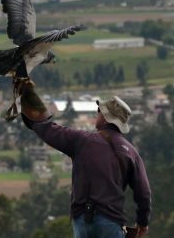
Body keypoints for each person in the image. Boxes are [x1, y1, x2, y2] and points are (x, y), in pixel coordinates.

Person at [18, 80, 151, 238]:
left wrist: (27, 93)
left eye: (99, 111)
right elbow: (144, 193)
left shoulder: (82, 140)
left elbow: (47, 129)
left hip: (82, 220)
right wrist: (142, 223)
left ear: (106, 118)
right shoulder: (131, 153)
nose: (97, 113)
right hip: (111, 222)